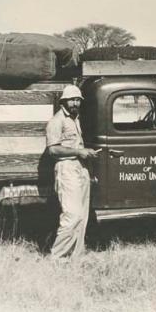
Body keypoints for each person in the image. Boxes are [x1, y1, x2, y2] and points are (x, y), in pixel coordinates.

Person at [46, 85, 98, 259]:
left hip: (80, 169)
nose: (75, 103)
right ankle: (57, 257)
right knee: (72, 215)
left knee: (82, 217)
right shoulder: (57, 121)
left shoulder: (75, 119)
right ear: (63, 101)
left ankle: (75, 256)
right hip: (66, 169)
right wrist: (78, 152)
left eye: (78, 100)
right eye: (72, 100)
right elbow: (53, 150)